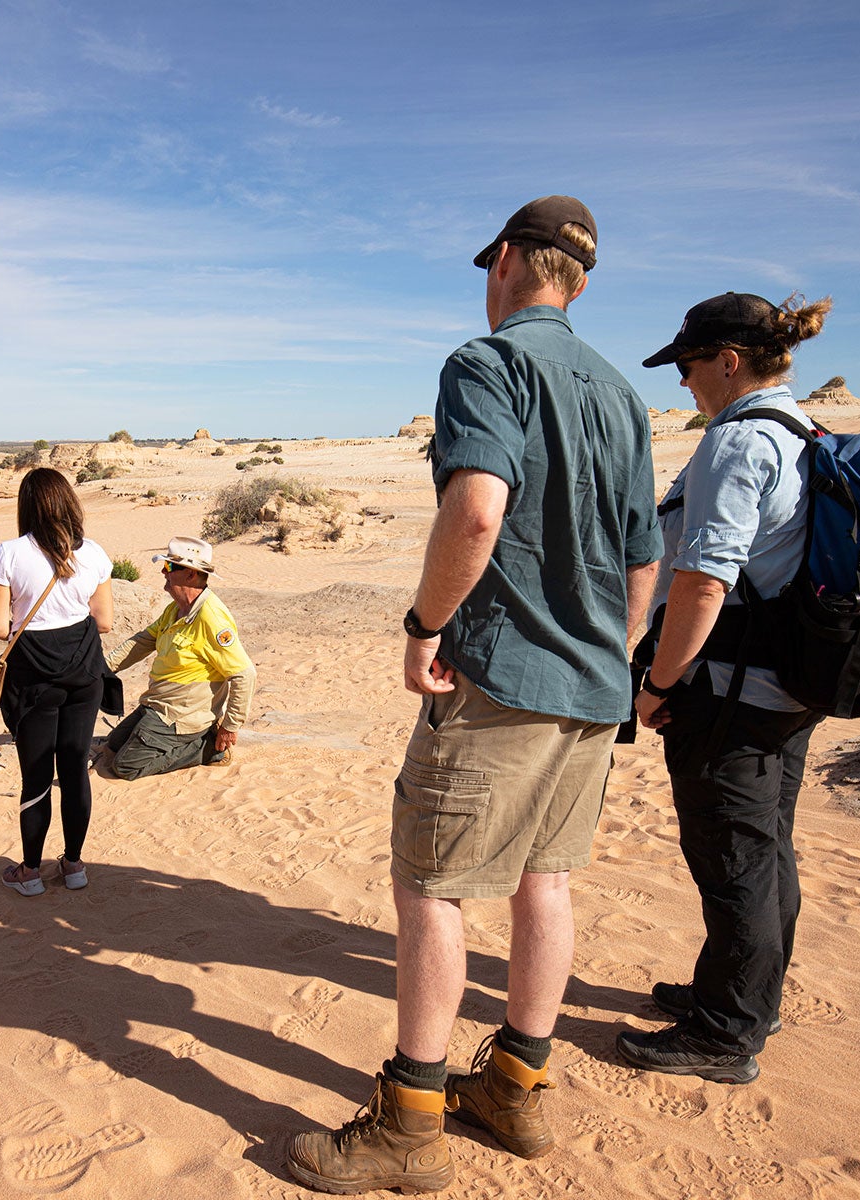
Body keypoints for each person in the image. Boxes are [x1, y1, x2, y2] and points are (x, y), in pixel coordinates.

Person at [286, 196, 660, 1193]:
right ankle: (516, 1089)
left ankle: (410, 1124)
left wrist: (425, 626)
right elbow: (642, 558)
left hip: (502, 677)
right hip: (592, 685)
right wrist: (606, 653)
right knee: (546, 879)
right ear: (579, 280)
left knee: (431, 886)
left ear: (505, 261)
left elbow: (477, 509)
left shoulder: (486, 364)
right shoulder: (621, 394)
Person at [618, 292, 831, 1085]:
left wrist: (659, 682)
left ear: (729, 361)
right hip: (785, 687)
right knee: (767, 848)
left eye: (689, 365)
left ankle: (726, 1033)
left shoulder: (739, 445)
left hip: (732, 695)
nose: (684, 383)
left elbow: (704, 583)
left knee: (734, 858)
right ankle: (743, 994)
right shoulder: (804, 433)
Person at [0, 468, 114, 895]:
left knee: (36, 775)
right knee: (75, 768)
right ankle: (74, 867)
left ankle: (31, 872)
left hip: (34, 677)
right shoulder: (93, 553)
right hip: (84, 672)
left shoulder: (10, 553)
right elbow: (105, 621)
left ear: (28, 506)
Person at [103, 536, 254, 780]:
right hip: (156, 704)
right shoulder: (175, 609)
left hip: (180, 715)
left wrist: (230, 725)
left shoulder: (211, 617)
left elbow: (244, 674)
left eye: (170, 567)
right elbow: (144, 640)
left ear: (192, 575)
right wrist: (103, 667)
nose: (164, 571)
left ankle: (209, 749)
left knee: (125, 766)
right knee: (113, 745)